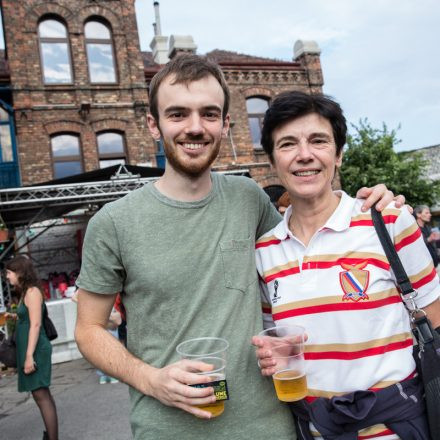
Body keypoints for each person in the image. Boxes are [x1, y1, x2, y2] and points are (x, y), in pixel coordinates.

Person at [74, 54, 402, 440]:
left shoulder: (248, 199)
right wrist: (149, 379)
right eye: (178, 114)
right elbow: (88, 329)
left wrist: (376, 204)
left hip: (270, 426)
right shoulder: (113, 223)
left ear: (226, 125)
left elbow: (307, 232)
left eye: (209, 114)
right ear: (152, 124)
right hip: (169, 429)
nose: (195, 128)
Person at [252, 91, 440, 439]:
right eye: (288, 144)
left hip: (396, 428)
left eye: (319, 141)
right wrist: (272, 358)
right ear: (272, 160)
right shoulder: (265, 251)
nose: (304, 155)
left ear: (338, 154)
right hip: (315, 429)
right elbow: (276, 343)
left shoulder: (389, 221)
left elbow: (436, 316)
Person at [5, 256, 58, 440]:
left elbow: (35, 325)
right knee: (41, 395)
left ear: (20, 272)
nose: (7, 276)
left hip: (35, 350)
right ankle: (51, 436)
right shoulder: (25, 292)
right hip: (31, 349)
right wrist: (15, 317)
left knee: (41, 394)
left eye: (9, 272)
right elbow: (28, 319)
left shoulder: (32, 292)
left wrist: (29, 356)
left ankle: (52, 438)